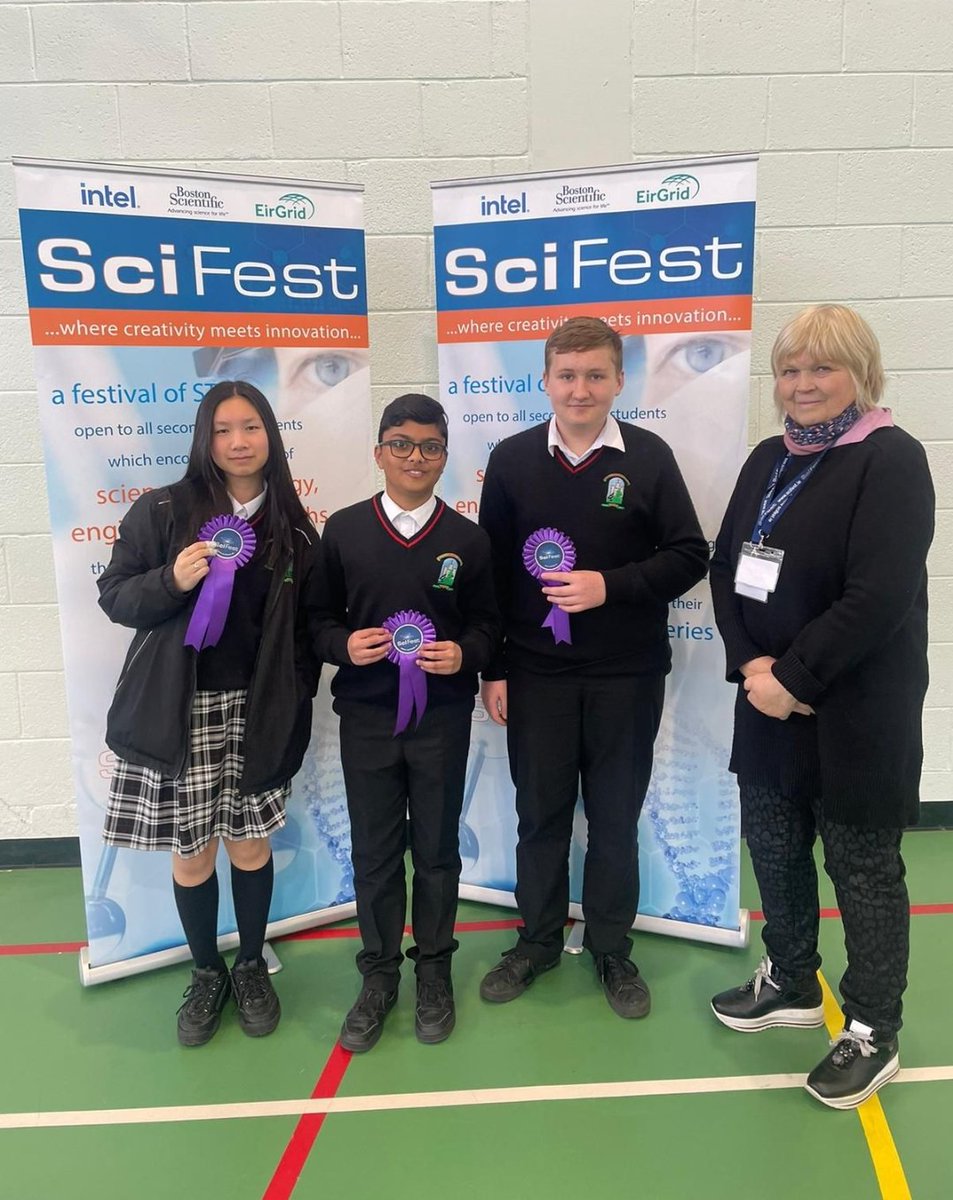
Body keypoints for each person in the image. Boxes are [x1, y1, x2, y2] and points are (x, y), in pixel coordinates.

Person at [708, 304, 935, 1109]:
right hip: (764, 697)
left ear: (859, 373)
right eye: (789, 369)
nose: (801, 384)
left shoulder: (890, 459)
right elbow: (724, 565)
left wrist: (793, 677)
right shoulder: (767, 458)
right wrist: (749, 665)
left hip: (852, 713)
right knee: (772, 845)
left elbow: (877, 596)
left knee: (861, 869)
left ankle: (872, 1027)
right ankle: (792, 980)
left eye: (821, 368)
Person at [478, 316, 709, 1018]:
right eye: (567, 375)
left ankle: (611, 948)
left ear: (617, 381)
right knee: (539, 816)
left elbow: (688, 555)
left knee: (613, 817)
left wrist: (609, 585)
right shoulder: (512, 459)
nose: (580, 389)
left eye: (595, 375)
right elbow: (488, 576)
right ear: (545, 380)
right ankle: (538, 941)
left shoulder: (649, 456)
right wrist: (494, 671)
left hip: (626, 674)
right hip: (537, 675)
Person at [98, 380, 323, 1046]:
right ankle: (206, 972)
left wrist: (296, 690)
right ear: (205, 437)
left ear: (269, 436)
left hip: (258, 712)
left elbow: (308, 630)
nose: (237, 442)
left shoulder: (293, 527)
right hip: (178, 710)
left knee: (250, 846)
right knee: (192, 854)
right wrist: (173, 579)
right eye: (223, 429)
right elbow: (115, 598)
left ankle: (252, 964)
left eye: (250, 427)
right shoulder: (163, 510)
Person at [315, 394, 500, 1051]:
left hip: (441, 720)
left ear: (445, 457)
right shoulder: (341, 531)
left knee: (437, 853)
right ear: (379, 453)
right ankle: (378, 975)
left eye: (428, 447)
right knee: (373, 853)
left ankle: (434, 971)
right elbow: (316, 622)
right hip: (366, 716)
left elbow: (488, 628)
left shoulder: (467, 540)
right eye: (401, 444)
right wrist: (343, 646)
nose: (414, 457)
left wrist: (465, 653)